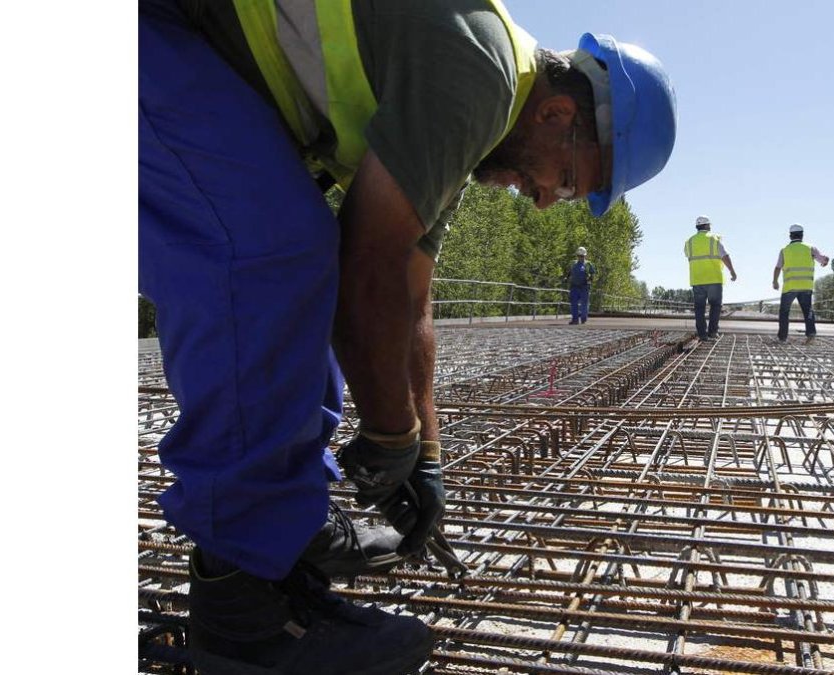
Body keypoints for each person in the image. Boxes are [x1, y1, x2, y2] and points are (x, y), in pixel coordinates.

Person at [138, 0, 677, 672]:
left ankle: (282, 536)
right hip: (153, 32)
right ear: (557, 113)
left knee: (297, 283)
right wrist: (390, 433)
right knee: (269, 255)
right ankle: (240, 612)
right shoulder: (479, 75)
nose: (544, 199)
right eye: (566, 180)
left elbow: (410, 294)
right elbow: (366, 268)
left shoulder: (474, 112)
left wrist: (425, 452)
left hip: (183, 52)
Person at [772, 224, 830, 343]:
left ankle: (782, 337)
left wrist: (775, 281)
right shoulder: (810, 248)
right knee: (808, 310)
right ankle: (811, 334)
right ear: (802, 235)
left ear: (790, 236)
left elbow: (778, 267)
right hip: (806, 286)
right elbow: (823, 260)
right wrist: (825, 261)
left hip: (789, 287)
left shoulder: (784, 250)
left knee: (784, 312)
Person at [683, 215, 737, 341]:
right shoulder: (714, 239)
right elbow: (725, 256)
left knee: (699, 308)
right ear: (707, 225)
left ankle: (702, 334)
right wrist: (732, 272)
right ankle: (712, 332)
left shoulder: (689, 242)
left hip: (697, 280)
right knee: (715, 306)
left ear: (697, 226)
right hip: (714, 279)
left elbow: (687, 254)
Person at [565, 246, 596, 324]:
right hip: (574, 287)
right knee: (574, 303)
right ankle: (575, 319)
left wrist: (590, 279)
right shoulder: (573, 263)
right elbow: (569, 272)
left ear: (585, 256)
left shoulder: (588, 264)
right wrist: (566, 278)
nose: (580, 257)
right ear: (577, 256)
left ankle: (583, 319)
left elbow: (593, 274)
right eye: (579, 256)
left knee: (584, 304)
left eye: (582, 256)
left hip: (584, 287)